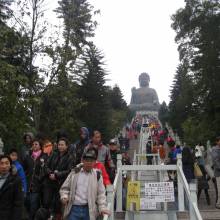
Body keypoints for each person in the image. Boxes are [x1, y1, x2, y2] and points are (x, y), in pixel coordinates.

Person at [60, 147, 110, 220]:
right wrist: (64, 197)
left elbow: (101, 194)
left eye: (91, 161)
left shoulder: (97, 175)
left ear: (94, 162)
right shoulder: (74, 172)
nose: (89, 163)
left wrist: (102, 208)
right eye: (86, 160)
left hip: (89, 210)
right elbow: (65, 188)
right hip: (73, 208)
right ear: (82, 161)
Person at [43, 137, 76, 219]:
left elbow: (69, 171)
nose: (60, 146)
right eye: (59, 145)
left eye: (62, 145)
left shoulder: (70, 156)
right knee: (46, 202)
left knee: (58, 205)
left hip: (61, 183)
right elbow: (46, 166)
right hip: (49, 182)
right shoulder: (53, 154)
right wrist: (51, 173)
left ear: (67, 146)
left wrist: (57, 175)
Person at [23, 139, 48, 220]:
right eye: (33, 144)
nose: (34, 146)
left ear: (40, 146)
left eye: (36, 144)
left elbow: (45, 170)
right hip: (27, 185)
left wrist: (39, 178)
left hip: (37, 187)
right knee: (27, 205)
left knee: (34, 208)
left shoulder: (44, 157)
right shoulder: (28, 156)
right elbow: (24, 169)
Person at [0, 155, 23, 220]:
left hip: (7, 216)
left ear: (10, 165)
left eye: (7, 163)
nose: (4, 166)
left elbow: (18, 204)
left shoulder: (16, 180)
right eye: (1, 163)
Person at [211, 136, 220, 209]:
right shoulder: (215, 149)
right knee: (219, 189)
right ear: (217, 142)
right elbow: (215, 161)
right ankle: (218, 204)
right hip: (218, 172)